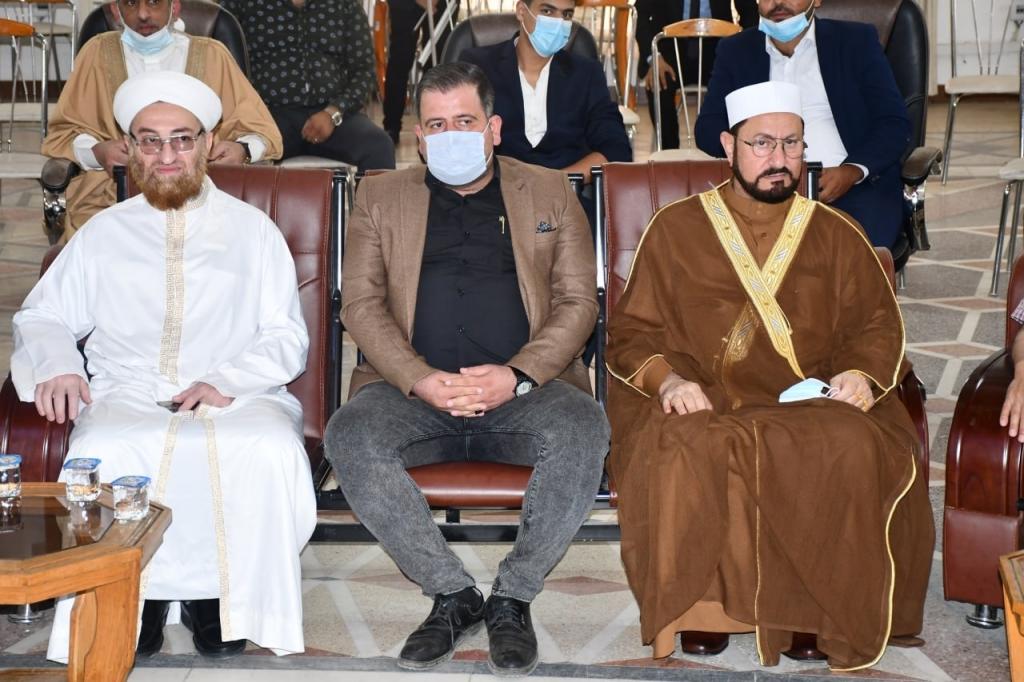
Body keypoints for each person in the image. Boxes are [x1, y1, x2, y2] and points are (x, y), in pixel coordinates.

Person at [606, 81, 933, 670]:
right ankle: (704, 611)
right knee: (681, 443)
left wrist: (861, 375)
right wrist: (668, 383)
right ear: (729, 146)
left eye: (791, 143)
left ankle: (815, 611)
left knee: (849, 443)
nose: (778, 158)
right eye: (761, 143)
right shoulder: (675, 228)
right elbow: (632, 333)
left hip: (810, 402)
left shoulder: (839, 234)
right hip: (705, 397)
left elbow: (876, 325)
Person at [15, 71, 316, 662]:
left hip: (239, 393)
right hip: (127, 390)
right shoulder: (103, 232)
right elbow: (43, 313)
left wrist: (226, 381)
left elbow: (286, 336)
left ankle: (221, 599)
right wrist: (59, 365)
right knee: (107, 446)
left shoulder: (254, 232)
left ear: (208, 143)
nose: (167, 155)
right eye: (150, 141)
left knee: (266, 448)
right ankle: (136, 594)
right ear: (130, 148)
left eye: (182, 138)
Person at [325, 62, 610, 677]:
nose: (450, 135)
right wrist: (420, 378)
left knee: (583, 428)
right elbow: (362, 305)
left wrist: (518, 374)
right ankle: (451, 592)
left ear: (494, 128)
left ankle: (513, 596)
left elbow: (578, 302)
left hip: (528, 392)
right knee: (349, 435)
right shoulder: (379, 197)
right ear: (419, 138)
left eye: (464, 121)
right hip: (411, 393)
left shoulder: (550, 191)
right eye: (436, 125)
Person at [42, 0, 283, 241]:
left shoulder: (213, 55)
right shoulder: (96, 54)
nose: (143, 14)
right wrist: (96, 152)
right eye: (131, 3)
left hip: (203, 192)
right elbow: (64, 133)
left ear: (174, 7)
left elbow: (262, 133)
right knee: (95, 243)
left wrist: (243, 150)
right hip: (112, 194)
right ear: (116, 10)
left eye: (154, 2)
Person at [693, 0, 909, 248]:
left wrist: (852, 171)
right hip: (761, 191)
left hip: (848, 188)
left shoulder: (855, 42)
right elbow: (707, 127)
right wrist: (752, 153)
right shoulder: (736, 50)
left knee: (846, 258)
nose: (778, 2)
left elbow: (893, 122)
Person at [460, 0, 632, 186]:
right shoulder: (478, 66)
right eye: (547, 11)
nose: (558, 22)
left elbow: (616, 148)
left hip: (567, 193)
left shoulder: (586, 73)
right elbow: (459, 140)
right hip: (495, 193)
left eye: (566, 14)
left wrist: (553, 184)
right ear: (521, 11)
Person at [221, 0, 396, 172]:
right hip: (267, 117)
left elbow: (364, 70)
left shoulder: (345, 4)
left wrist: (334, 112)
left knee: (379, 146)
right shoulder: (242, 4)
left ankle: (368, 195)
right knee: (237, 151)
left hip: (334, 114)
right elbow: (222, 63)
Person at [636, 0, 758, 150]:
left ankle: (724, 150)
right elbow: (641, 15)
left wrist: (742, 47)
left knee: (736, 81)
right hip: (669, 51)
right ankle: (668, 155)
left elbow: (750, 11)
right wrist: (654, 57)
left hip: (717, 49)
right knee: (660, 81)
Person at [383, 0, 459, 145]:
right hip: (405, 4)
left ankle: (436, 125)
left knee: (438, 65)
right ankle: (391, 126)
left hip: (443, 3)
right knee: (400, 60)